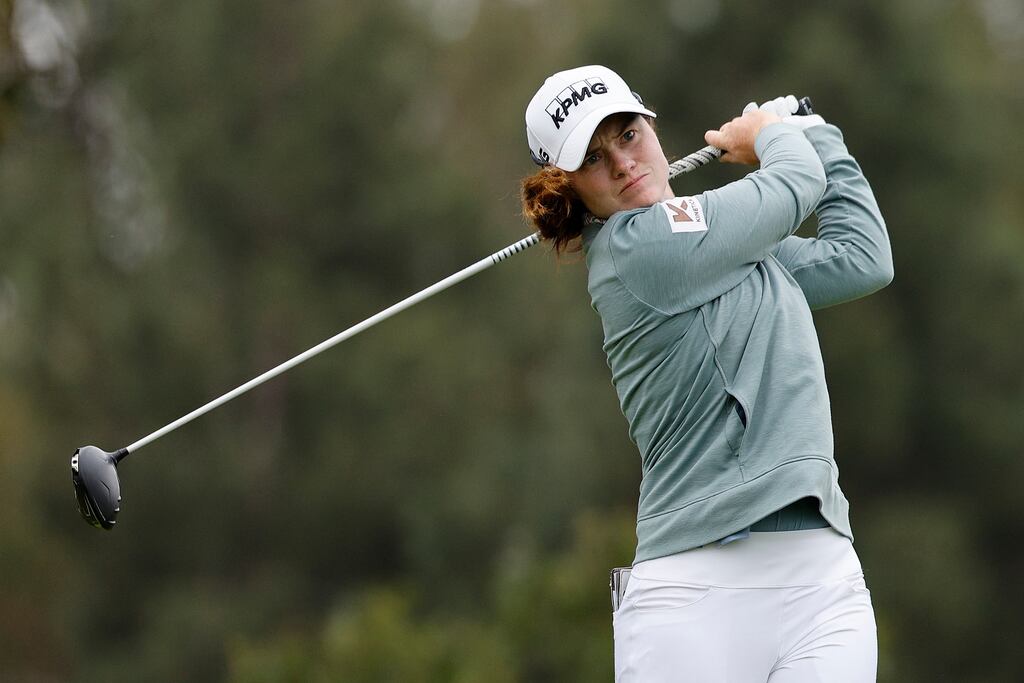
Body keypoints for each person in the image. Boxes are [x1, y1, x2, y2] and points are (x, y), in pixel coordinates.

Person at [521, 65, 893, 682]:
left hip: (821, 575)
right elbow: (795, 182)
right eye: (592, 158)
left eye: (628, 135)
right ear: (571, 187)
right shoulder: (634, 251)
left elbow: (862, 259)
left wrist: (816, 132)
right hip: (696, 590)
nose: (621, 163)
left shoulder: (730, 245)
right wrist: (770, 132)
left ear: (652, 127)